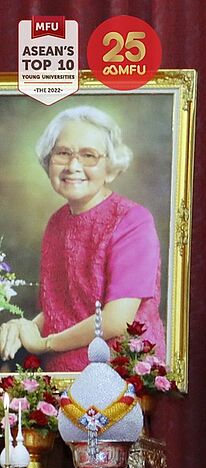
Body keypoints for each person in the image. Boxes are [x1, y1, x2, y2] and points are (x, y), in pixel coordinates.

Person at [0, 105, 167, 372]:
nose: (73, 166)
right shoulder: (57, 222)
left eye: (89, 155)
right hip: (60, 373)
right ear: (48, 161)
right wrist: (23, 327)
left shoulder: (134, 221)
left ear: (110, 167)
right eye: (63, 153)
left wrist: (43, 344)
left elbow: (117, 320)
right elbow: (60, 309)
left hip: (118, 374)